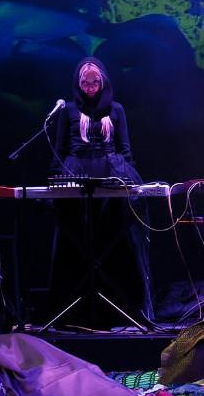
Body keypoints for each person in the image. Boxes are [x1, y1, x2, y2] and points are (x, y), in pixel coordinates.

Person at [41, 57, 157, 321]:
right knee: (74, 239)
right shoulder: (67, 110)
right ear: (78, 83)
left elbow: (125, 149)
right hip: (76, 172)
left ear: (103, 82)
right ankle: (70, 311)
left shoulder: (116, 109)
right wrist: (55, 180)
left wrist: (129, 178)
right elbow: (60, 150)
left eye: (95, 82)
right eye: (85, 82)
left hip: (111, 171)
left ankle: (124, 308)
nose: (90, 87)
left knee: (117, 237)